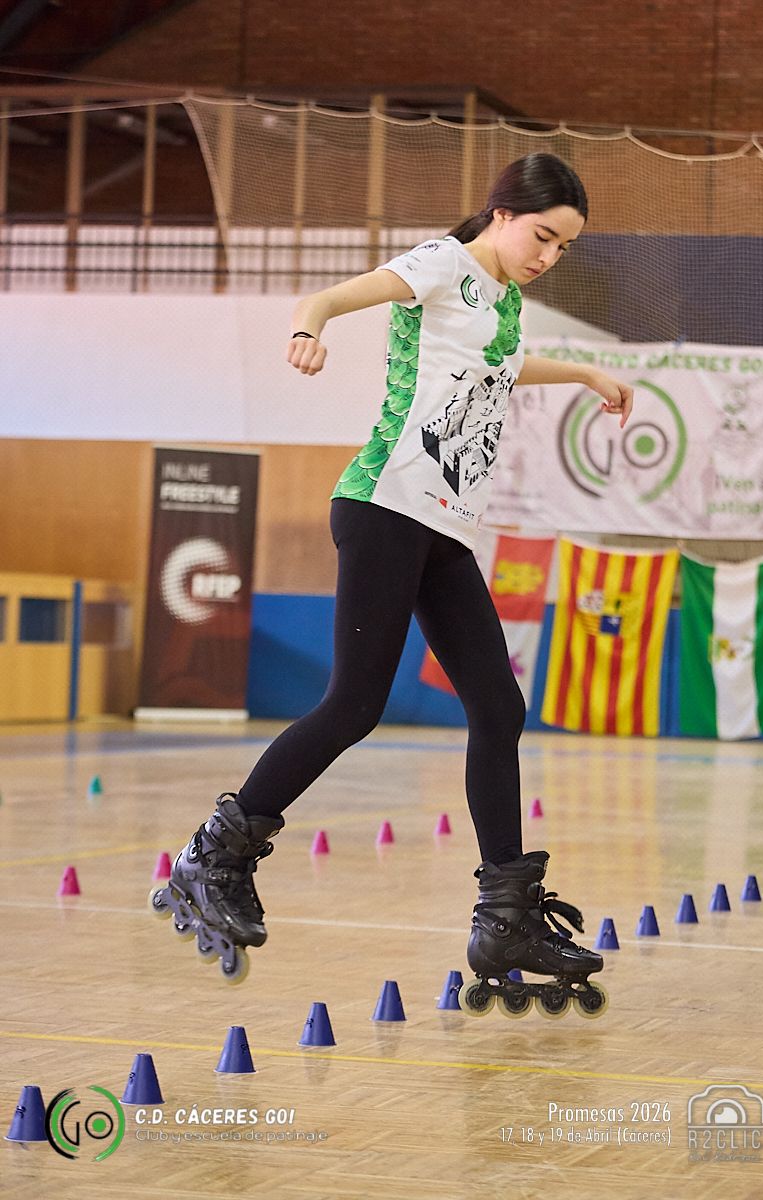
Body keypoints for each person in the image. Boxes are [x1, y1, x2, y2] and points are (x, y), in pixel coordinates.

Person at [151, 153, 632, 1012]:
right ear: (502, 213)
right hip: (384, 504)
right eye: (543, 236)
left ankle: (505, 917)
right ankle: (214, 855)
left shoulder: (504, 300)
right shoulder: (441, 264)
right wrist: (309, 330)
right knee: (354, 705)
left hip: (443, 525)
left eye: (563, 248)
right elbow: (333, 298)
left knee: (499, 707)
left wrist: (588, 374)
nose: (548, 256)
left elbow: (498, 370)